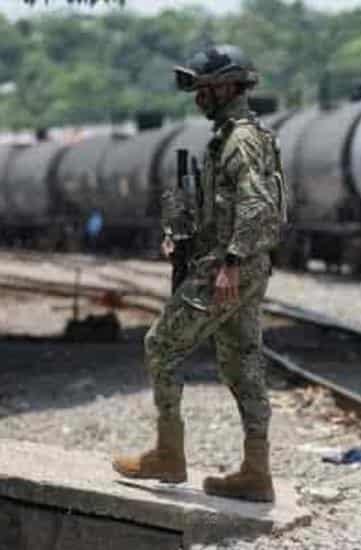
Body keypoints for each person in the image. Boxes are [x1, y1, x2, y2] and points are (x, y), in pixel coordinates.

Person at [112, 45, 287, 503]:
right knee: (242, 363)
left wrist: (229, 261)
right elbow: (228, 206)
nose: (198, 98)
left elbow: (257, 203)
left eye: (205, 88)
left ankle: (168, 455)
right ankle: (256, 471)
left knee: (161, 344)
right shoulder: (238, 135)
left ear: (230, 86)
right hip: (243, 264)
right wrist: (182, 232)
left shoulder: (240, 140)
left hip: (227, 266)